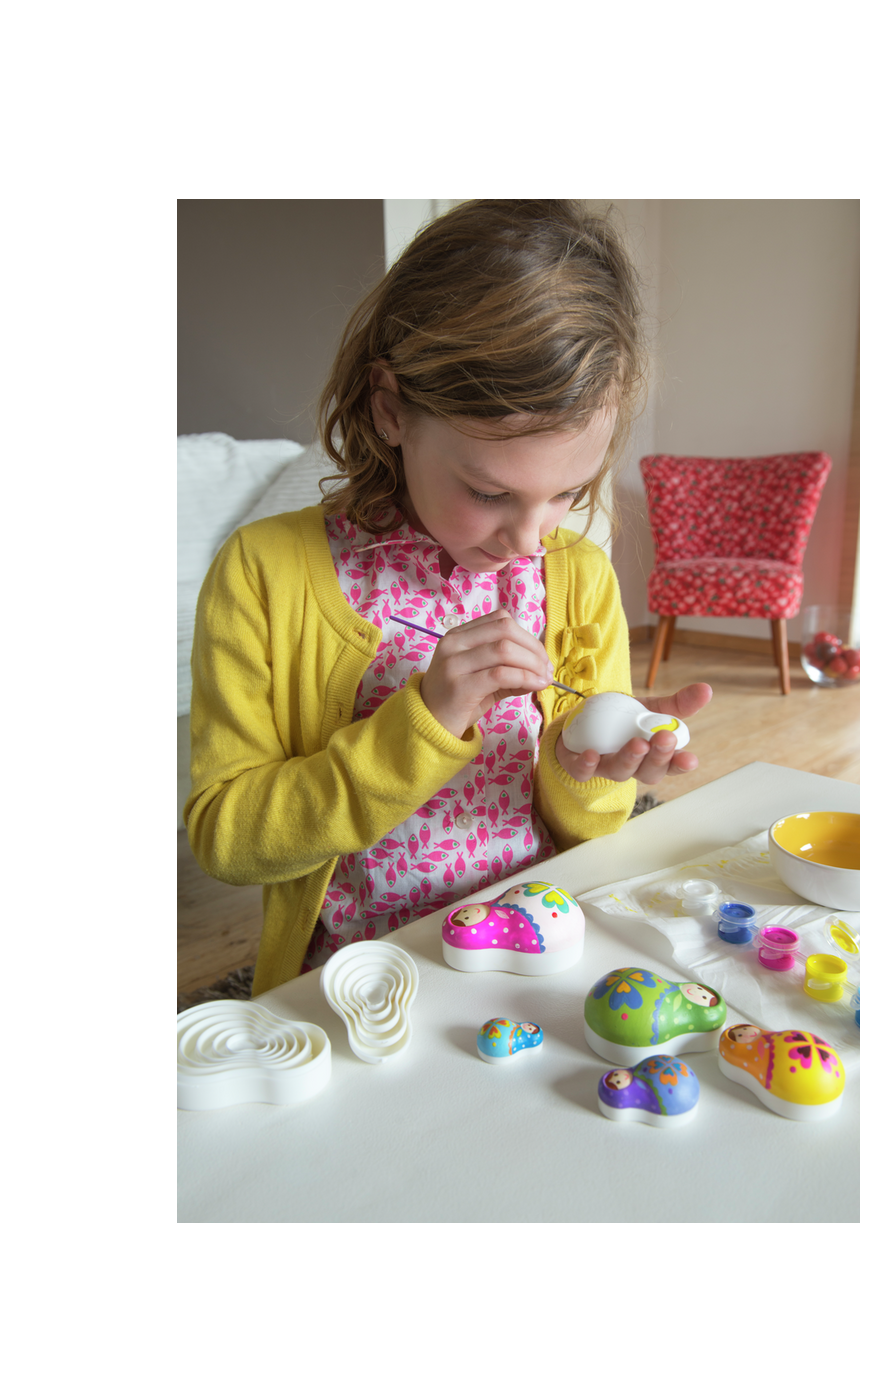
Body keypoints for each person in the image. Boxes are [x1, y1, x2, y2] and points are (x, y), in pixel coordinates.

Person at [186, 200, 712, 995]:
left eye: (567, 493)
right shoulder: (266, 574)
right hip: (357, 985)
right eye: (490, 492)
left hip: (537, 958)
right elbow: (227, 841)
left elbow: (595, 825)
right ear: (390, 409)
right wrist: (422, 723)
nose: (529, 540)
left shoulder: (577, 578)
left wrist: (583, 766)